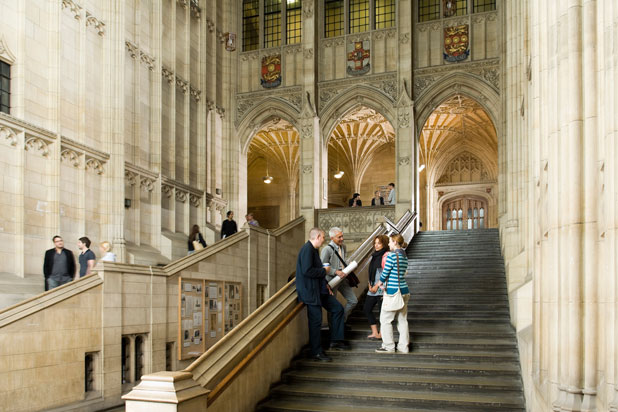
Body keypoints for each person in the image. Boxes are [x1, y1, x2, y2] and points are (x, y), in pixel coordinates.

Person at [296, 228, 347, 362]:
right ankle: (316, 352)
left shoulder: (313, 250)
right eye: (323, 237)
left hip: (319, 290)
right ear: (317, 237)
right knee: (316, 322)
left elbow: (315, 271)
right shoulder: (307, 249)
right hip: (311, 293)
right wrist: (324, 271)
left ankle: (336, 340)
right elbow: (307, 271)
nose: (324, 240)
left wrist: (326, 284)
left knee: (338, 308)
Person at [375, 233, 410, 353]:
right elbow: (403, 273)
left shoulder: (391, 255)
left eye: (390, 241)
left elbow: (385, 272)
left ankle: (389, 346)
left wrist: (379, 283)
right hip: (404, 290)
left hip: (393, 292)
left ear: (395, 242)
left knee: (385, 319)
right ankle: (403, 347)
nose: (389, 244)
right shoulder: (404, 256)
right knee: (402, 320)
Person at [321, 227, 358, 324]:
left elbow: (342, 261)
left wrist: (348, 266)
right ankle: (332, 329)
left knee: (353, 301)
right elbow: (322, 267)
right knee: (332, 306)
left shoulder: (343, 247)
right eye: (339, 237)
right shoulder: (327, 249)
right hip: (331, 281)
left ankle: (340, 322)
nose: (342, 239)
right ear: (332, 238)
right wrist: (335, 271)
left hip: (343, 279)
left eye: (342, 236)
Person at [364, 234, 389, 339]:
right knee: (366, 308)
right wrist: (370, 284)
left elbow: (384, 273)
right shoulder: (374, 256)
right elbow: (371, 272)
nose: (376, 245)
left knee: (382, 312)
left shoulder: (386, 255)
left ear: (384, 244)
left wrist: (376, 286)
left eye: (379, 243)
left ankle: (382, 333)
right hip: (373, 287)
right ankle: (375, 332)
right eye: (375, 243)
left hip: (381, 288)